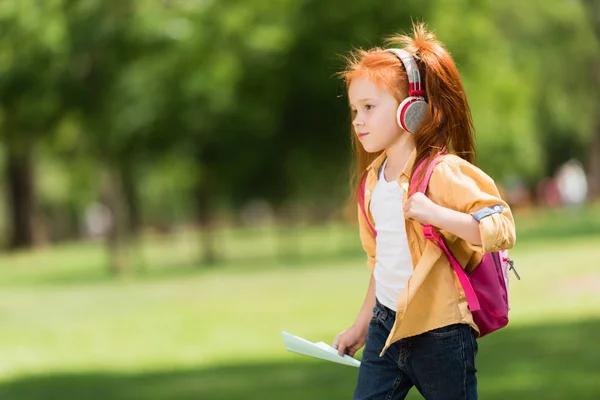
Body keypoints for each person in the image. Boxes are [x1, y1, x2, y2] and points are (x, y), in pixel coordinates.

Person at [332, 22, 516, 400]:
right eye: (354, 109)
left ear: (410, 110)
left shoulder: (442, 172)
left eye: (368, 107)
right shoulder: (372, 182)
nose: (357, 120)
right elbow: (379, 263)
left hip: (441, 332)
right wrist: (361, 326)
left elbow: (502, 227)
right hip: (387, 326)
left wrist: (437, 214)